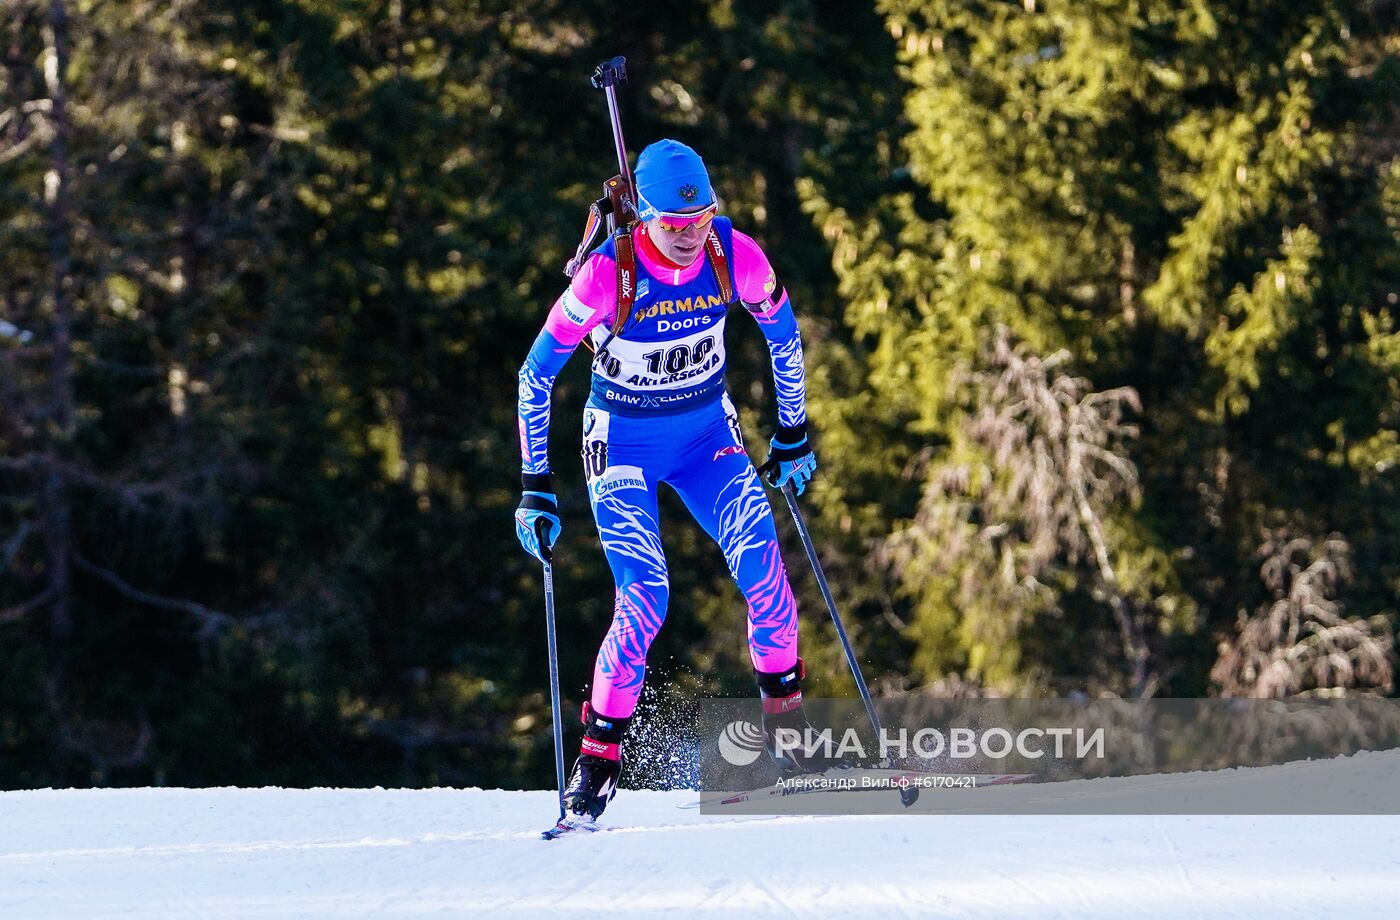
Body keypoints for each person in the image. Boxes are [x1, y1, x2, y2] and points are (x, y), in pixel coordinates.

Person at [514, 139, 818, 821]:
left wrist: (792, 430)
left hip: (707, 437)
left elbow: (784, 335)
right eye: (674, 223)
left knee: (766, 574)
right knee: (646, 595)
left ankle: (791, 738)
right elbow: (535, 375)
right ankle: (598, 762)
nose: (689, 235)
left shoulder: (735, 254)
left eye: (700, 218)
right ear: (645, 216)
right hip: (623, 444)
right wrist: (536, 484)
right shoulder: (605, 276)